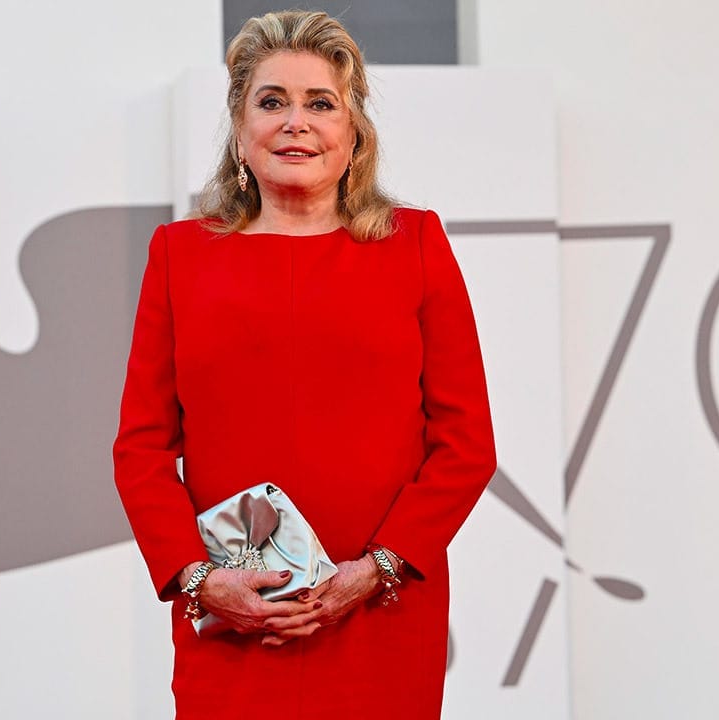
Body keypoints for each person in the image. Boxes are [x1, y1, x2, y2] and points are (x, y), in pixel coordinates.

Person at [112, 10, 496, 719]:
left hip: (379, 618)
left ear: (354, 135)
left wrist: (377, 569)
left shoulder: (414, 245)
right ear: (239, 131)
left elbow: (466, 444)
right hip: (233, 625)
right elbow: (140, 450)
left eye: (321, 103)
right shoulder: (179, 256)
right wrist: (199, 580)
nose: (297, 123)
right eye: (272, 101)